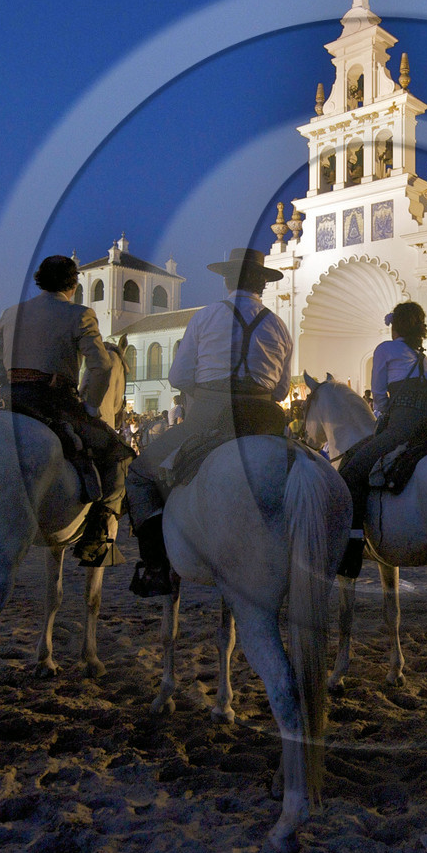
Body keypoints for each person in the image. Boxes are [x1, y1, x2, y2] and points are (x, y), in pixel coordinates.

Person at [125, 247, 292, 597]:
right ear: (262, 283)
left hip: (211, 415)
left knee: (140, 474)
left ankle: (156, 565)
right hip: (264, 420)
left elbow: (179, 375)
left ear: (226, 280)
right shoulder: (279, 325)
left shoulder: (206, 316)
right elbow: (280, 390)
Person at [0, 254, 126, 566]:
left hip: (6, 397)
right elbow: (102, 365)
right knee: (117, 453)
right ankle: (99, 536)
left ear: (39, 281)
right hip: (52, 399)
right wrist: (90, 406)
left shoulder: (11, 313)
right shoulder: (80, 314)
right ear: (73, 285)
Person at [338, 301, 427, 576]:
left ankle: (353, 544)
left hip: (403, 425)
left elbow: (379, 392)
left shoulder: (386, 349)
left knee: (352, 472)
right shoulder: (424, 357)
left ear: (395, 326)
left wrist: (384, 414)